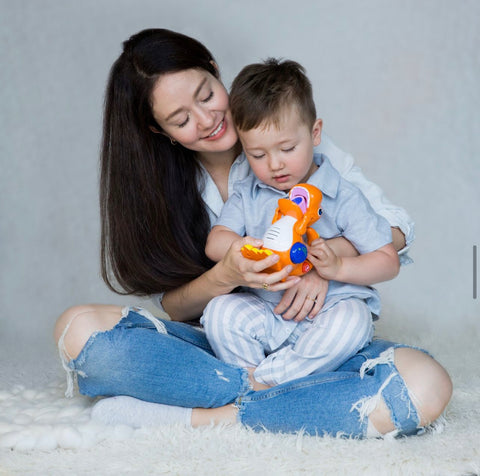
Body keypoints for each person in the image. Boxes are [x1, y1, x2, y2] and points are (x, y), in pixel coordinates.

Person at [53, 28, 452, 438]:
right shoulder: (157, 191)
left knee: (426, 385)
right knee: (79, 329)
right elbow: (175, 309)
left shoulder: (287, 136)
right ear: (161, 131)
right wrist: (226, 275)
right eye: (182, 119)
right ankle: (283, 399)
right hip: (228, 345)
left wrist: (319, 261)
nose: (207, 120)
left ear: (214, 69)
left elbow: (394, 227)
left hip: (318, 336)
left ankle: (210, 415)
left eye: (206, 95)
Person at [201, 58, 400, 387]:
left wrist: (337, 269)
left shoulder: (343, 195)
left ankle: (263, 383)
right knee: (220, 313)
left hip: (326, 313)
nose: (275, 165)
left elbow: (387, 261)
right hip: (266, 310)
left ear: (315, 132)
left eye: (287, 148)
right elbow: (215, 241)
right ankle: (264, 377)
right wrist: (250, 246)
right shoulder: (249, 192)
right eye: (258, 155)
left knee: (354, 321)